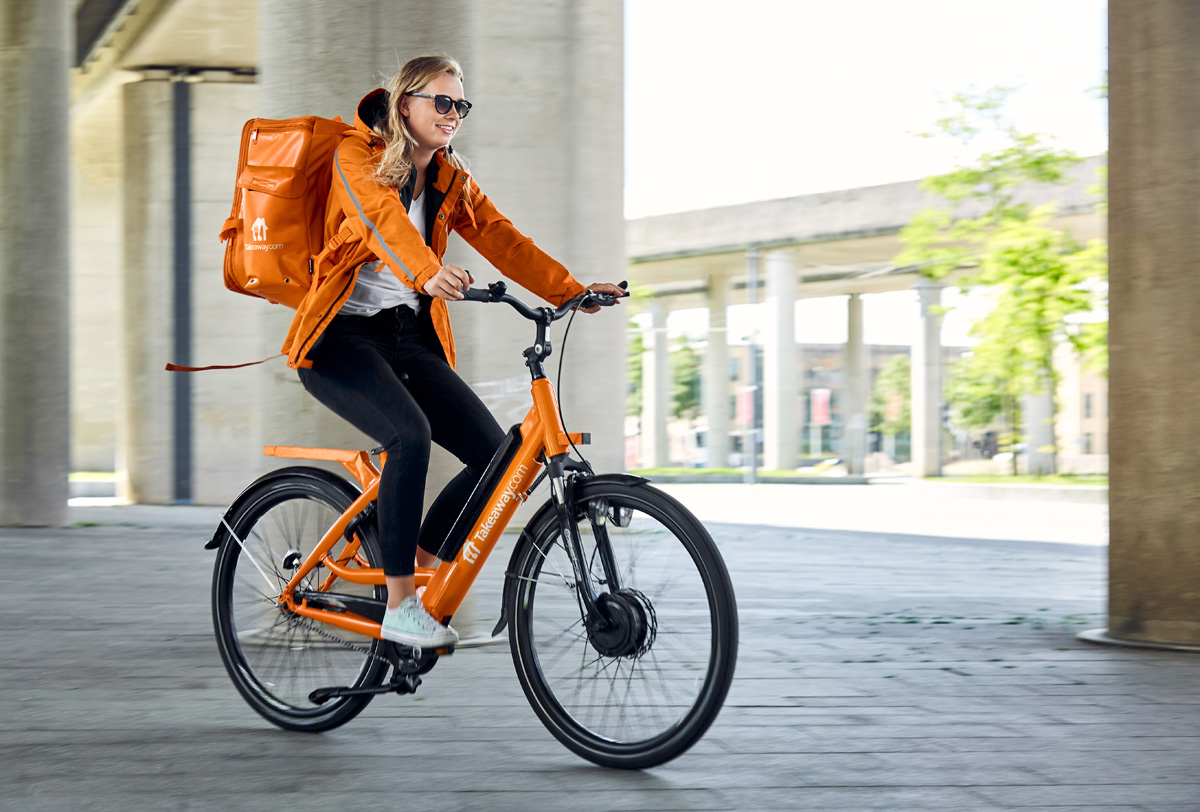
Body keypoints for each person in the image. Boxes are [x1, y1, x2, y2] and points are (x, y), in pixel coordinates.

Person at [281, 54, 624, 648]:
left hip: (409, 338)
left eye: (460, 104)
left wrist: (571, 291)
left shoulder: (449, 178)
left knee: (496, 459)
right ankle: (399, 606)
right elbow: (379, 218)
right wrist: (426, 271)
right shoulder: (356, 156)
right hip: (341, 339)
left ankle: (413, 568)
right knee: (409, 436)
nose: (453, 114)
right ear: (404, 104)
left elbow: (502, 238)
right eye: (441, 101)